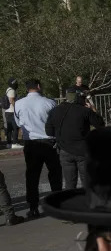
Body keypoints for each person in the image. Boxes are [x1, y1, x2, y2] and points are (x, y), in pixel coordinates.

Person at [13, 79, 62, 220]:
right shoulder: (50, 102)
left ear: (27, 88)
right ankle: (57, 204)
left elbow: (18, 123)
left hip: (31, 143)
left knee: (32, 176)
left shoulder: (18, 104)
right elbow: (55, 122)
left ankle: (33, 208)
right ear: (39, 87)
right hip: (48, 142)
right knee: (55, 173)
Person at [45, 86, 105, 189]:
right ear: (78, 97)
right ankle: (88, 203)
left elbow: (49, 131)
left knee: (70, 183)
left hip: (64, 150)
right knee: (87, 182)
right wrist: (92, 109)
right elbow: (100, 125)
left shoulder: (54, 111)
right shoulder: (84, 111)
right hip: (83, 151)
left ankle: (72, 203)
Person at [4, 77, 21, 149]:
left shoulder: (8, 89)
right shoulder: (12, 91)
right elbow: (11, 100)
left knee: (9, 129)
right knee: (15, 128)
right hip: (11, 111)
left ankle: (9, 143)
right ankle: (15, 143)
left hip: (7, 112)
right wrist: (16, 108)